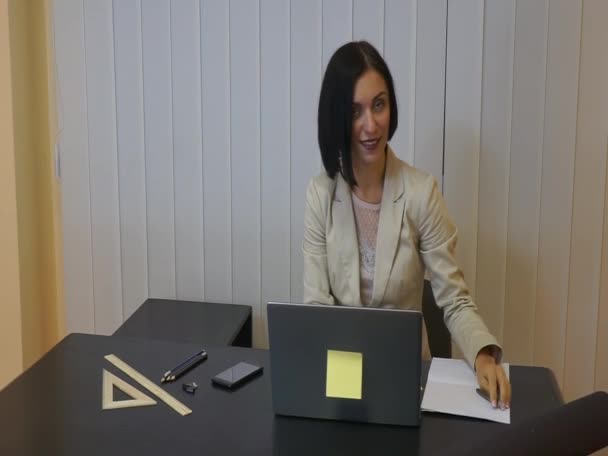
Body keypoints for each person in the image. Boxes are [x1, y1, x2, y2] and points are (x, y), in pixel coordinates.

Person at [303, 41, 511, 409]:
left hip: (406, 376)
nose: (371, 125)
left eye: (379, 105)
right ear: (337, 117)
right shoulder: (321, 195)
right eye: (355, 111)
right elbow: (317, 306)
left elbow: (453, 297)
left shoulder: (421, 193)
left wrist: (482, 352)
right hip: (341, 375)